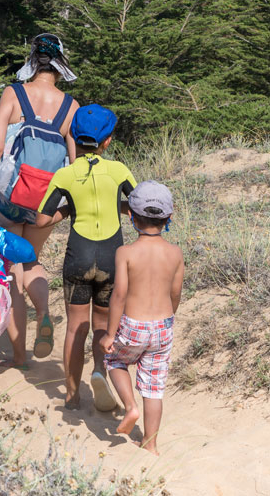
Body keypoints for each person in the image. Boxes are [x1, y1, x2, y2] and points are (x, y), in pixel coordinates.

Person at [0, 33, 80, 368]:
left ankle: (19, 356)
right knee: (31, 261)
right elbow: (75, 164)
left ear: (33, 60)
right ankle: (43, 313)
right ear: (60, 65)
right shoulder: (71, 106)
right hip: (44, 200)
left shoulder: (13, 93)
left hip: (7, 196)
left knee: (9, 272)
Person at [34, 104, 136, 410]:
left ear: (73, 137)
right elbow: (139, 208)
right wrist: (116, 207)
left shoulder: (64, 175)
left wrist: (69, 209)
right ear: (108, 141)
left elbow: (42, 219)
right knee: (103, 326)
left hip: (78, 258)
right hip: (111, 260)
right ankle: (99, 371)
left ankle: (71, 395)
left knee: (75, 327)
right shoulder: (118, 171)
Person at [99, 181, 183, 455]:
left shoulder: (125, 253)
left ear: (131, 216)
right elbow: (175, 293)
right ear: (169, 218)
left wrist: (110, 334)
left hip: (133, 324)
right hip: (163, 326)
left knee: (114, 360)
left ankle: (130, 407)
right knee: (154, 387)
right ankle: (151, 443)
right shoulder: (175, 253)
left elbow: (119, 295)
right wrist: (168, 316)